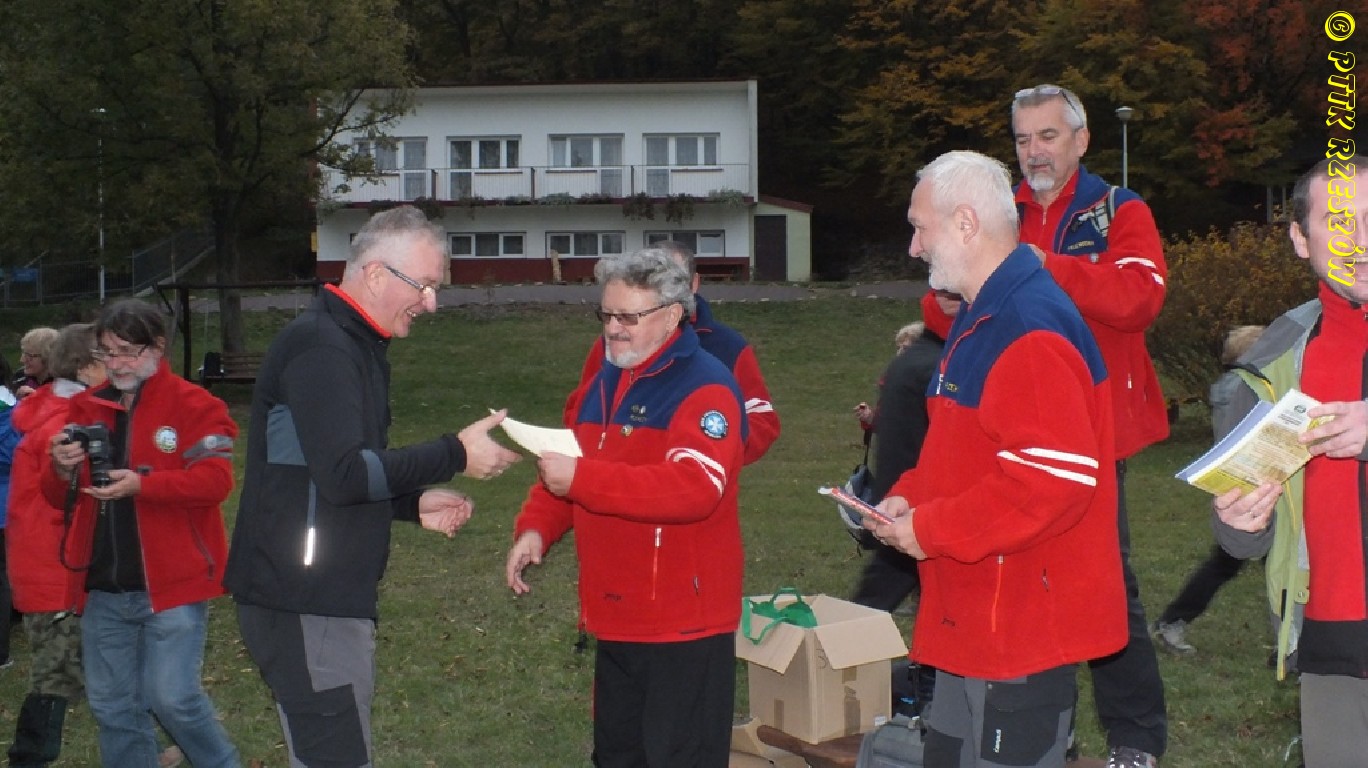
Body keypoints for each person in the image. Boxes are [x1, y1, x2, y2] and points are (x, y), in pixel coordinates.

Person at [922, 84, 1170, 768]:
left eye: (1048, 136)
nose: (1034, 151)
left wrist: (1043, 270)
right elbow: (944, 308)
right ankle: (1034, 712)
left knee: (1104, 581)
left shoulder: (1117, 209)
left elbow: (1140, 297)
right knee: (1027, 567)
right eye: (1023, 138)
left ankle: (1134, 734)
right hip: (1008, 421)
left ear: (1082, 140)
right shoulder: (1002, 210)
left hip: (1097, 425)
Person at [224, 204, 521, 768]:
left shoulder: (351, 343)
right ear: (378, 274)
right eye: (425, 285)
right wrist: (455, 454)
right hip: (306, 601)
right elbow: (343, 475)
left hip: (316, 598)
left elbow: (324, 473)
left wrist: (410, 504)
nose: (431, 303)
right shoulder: (322, 347)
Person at [867, 150, 1126, 768]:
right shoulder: (981, 316)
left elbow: (1050, 485)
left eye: (920, 228)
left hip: (1019, 626)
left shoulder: (1027, 325)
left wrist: (930, 528)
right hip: (974, 619)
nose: (913, 247)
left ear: (965, 223)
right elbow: (959, 448)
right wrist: (908, 496)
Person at [506, 247, 747, 767]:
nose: (613, 329)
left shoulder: (706, 387)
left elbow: (694, 489)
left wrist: (582, 479)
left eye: (628, 318)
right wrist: (536, 528)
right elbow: (568, 464)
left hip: (683, 623)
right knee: (617, 757)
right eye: (606, 314)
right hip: (617, 614)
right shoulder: (606, 378)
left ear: (673, 315)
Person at [1212, 155, 1368, 767]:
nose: (1361, 239)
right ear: (1301, 240)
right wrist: (1238, 520)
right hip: (1332, 643)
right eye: (1340, 222)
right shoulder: (1274, 363)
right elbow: (1241, 536)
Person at [43, 300, 240, 767]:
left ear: (158, 347)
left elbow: (216, 482)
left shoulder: (195, 404)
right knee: (113, 707)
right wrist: (61, 467)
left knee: (173, 698)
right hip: (103, 585)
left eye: (128, 352)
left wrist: (143, 486)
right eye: (107, 353)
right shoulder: (86, 406)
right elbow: (57, 497)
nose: (117, 364)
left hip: (173, 583)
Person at [564, 240, 779, 465]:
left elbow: (761, 419)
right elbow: (580, 409)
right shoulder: (613, 345)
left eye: (675, 280)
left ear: (693, 284)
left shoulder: (727, 347)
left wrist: (719, 448)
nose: (613, 327)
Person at [1150, 325, 1266, 655]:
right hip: (1251, 487)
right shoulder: (1247, 388)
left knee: (1248, 563)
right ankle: (1171, 621)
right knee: (1238, 562)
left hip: (1240, 486)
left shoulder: (1226, 386)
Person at [14, 328, 58, 400]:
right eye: (24, 353)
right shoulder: (19, 378)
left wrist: (37, 399)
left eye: (30, 356)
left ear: (48, 357)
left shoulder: (61, 387)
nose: (22, 360)